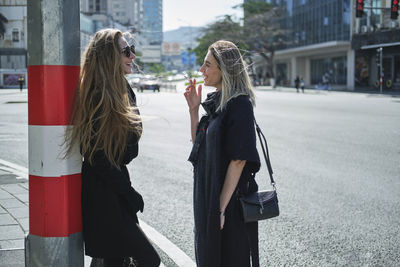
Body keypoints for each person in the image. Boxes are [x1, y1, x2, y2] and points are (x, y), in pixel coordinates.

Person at [65, 28, 160, 267]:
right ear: (108, 57)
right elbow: (96, 155)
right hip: (103, 191)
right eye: (126, 51)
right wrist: (128, 192)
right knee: (148, 259)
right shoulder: (97, 94)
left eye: (132, 50)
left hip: (114, 186)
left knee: (115, 260)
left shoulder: (122, 89)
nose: (132, 56)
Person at [184, 40, 261, 267]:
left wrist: (220, 208)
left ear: (224, 69)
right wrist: (193, 111)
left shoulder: (239, 104)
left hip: (229, 202)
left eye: (207, 65)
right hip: (210, 195)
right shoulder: (217, 100)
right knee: (209, 257)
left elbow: (238, 160)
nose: (201, 70)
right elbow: (199, 146)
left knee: (229, 258)